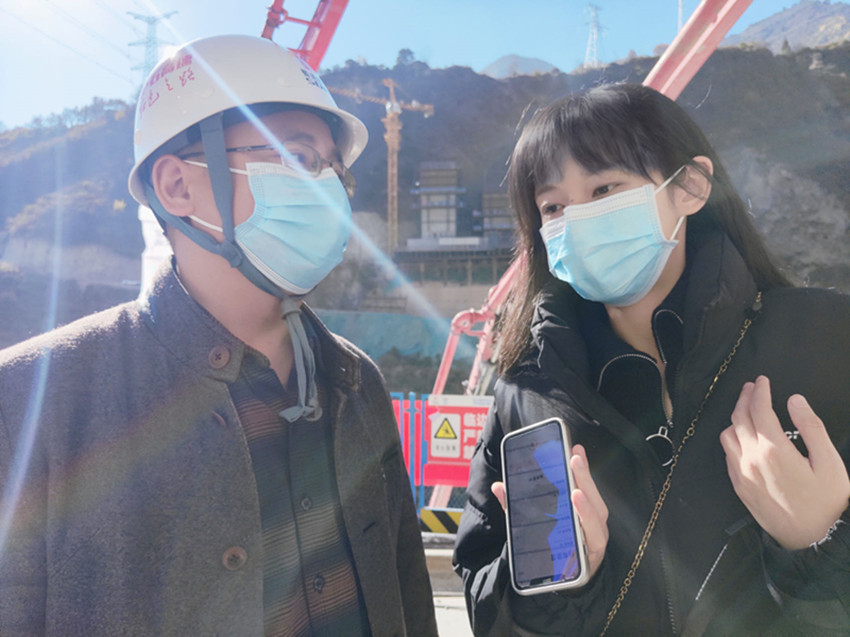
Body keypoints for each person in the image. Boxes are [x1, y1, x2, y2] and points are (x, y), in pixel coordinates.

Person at [0, 34, 437, 636]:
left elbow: (408, 597)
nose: (329, 190)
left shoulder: (358, 383)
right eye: (299, 157)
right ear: (177, 187)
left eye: (333, 169)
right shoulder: (28, 400)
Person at [453, 83, 850, 635]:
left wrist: (816, 543)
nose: (578, 219)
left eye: (604, 188)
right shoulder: (525, 392)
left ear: (690, 185)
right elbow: (484, 600)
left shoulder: (825, 338)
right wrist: (559, 585)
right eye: (553, 206)